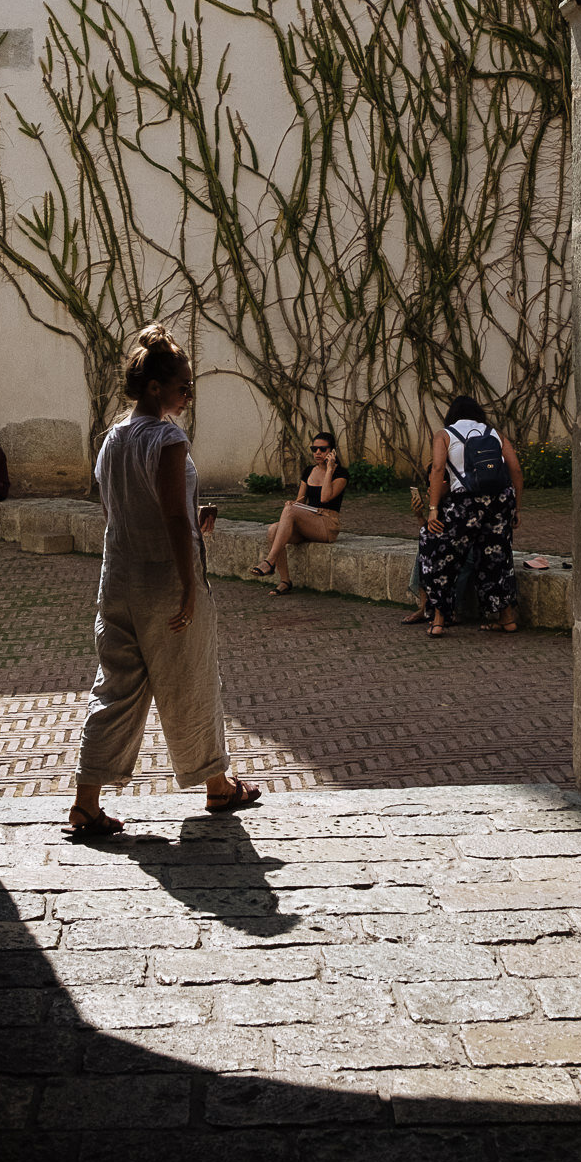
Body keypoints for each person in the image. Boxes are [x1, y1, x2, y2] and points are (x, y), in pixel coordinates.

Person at [69, 323, 259, 837]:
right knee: (191, 680)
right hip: (164, 582)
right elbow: (173, 518)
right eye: (183, 386)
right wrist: (189, 584)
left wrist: (193, 523)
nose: (188, 395)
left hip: (118, 579)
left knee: (116, 686)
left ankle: (86, 802)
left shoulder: (112, 439)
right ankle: (217, 786)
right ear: (156, 387)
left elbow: (129, 510)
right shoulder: (167, 437)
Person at [418, 396, 523, 639]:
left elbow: (437, 469)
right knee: (497, 557)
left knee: (443, 556)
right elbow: (515, 468)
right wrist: (517, 508)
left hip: (464, 503)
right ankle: (507, 618)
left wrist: (433, 508)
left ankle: (438, 620)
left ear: (452, 414)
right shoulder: (494, 433)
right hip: (500, 502)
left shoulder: (444, 434)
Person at [252, 430, 349, 595]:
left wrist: (330, 469)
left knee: (289, 512)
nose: (317, 453)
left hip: (327, 524)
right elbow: (301, 501)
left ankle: (270, 561)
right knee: (272, 530)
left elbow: (325, 498)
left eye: (322, 449)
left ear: (332, 451)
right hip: (308, 520)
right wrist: (293, 503)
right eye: (314, 449)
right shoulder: (309, 471)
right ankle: (285, 581)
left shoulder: (341, 473)